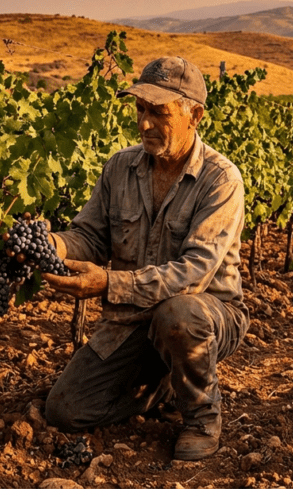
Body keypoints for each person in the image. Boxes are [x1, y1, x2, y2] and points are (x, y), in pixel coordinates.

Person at [40, 56, 249, 461]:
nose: (144, 124)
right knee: (65, 410)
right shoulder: (120, 167)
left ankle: (201, 416)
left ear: (196, 116)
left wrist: (108, 284)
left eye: (159, 112)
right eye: (140, 110)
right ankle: (162, 388)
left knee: (179, 314)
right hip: (133, 317)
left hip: (206, 315)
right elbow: (89, 235)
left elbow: (193, 274)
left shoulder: (221, 179)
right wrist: (52, 246)